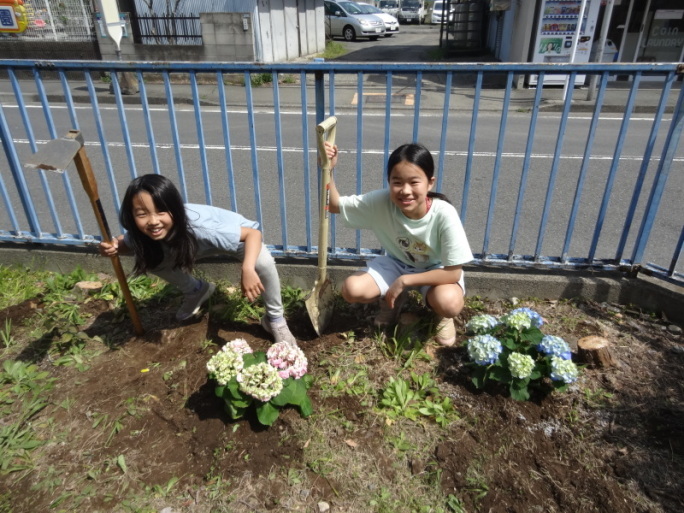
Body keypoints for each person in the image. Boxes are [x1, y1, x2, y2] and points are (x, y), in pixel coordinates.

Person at [99, 174, 297, 346]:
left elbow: (253, 234)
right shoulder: (143, 232)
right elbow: (126, 243)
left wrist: (247, 269)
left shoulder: (200, 226)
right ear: (132, 216)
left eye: (161, 211)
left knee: (261, 263)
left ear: (174, 210)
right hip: (194, 246)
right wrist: (114, 247)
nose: (153, 221)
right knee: (151, 257)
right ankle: (196, 290)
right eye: (142, 214)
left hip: (236, 239)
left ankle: (275, 320)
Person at [324, 142, 473, 346]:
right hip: (397, 263)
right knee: (352, 289)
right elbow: (333, 206)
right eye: (397, 182)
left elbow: (453, 273)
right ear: (389, 182)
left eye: (414, 182)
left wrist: (404, 281)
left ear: (430, 183)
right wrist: (328, 169)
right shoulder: (381, 202)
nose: (405, 191)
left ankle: (441, 315)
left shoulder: (444, 213)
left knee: (450, 303)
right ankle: (394, 301)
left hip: (435, 271)